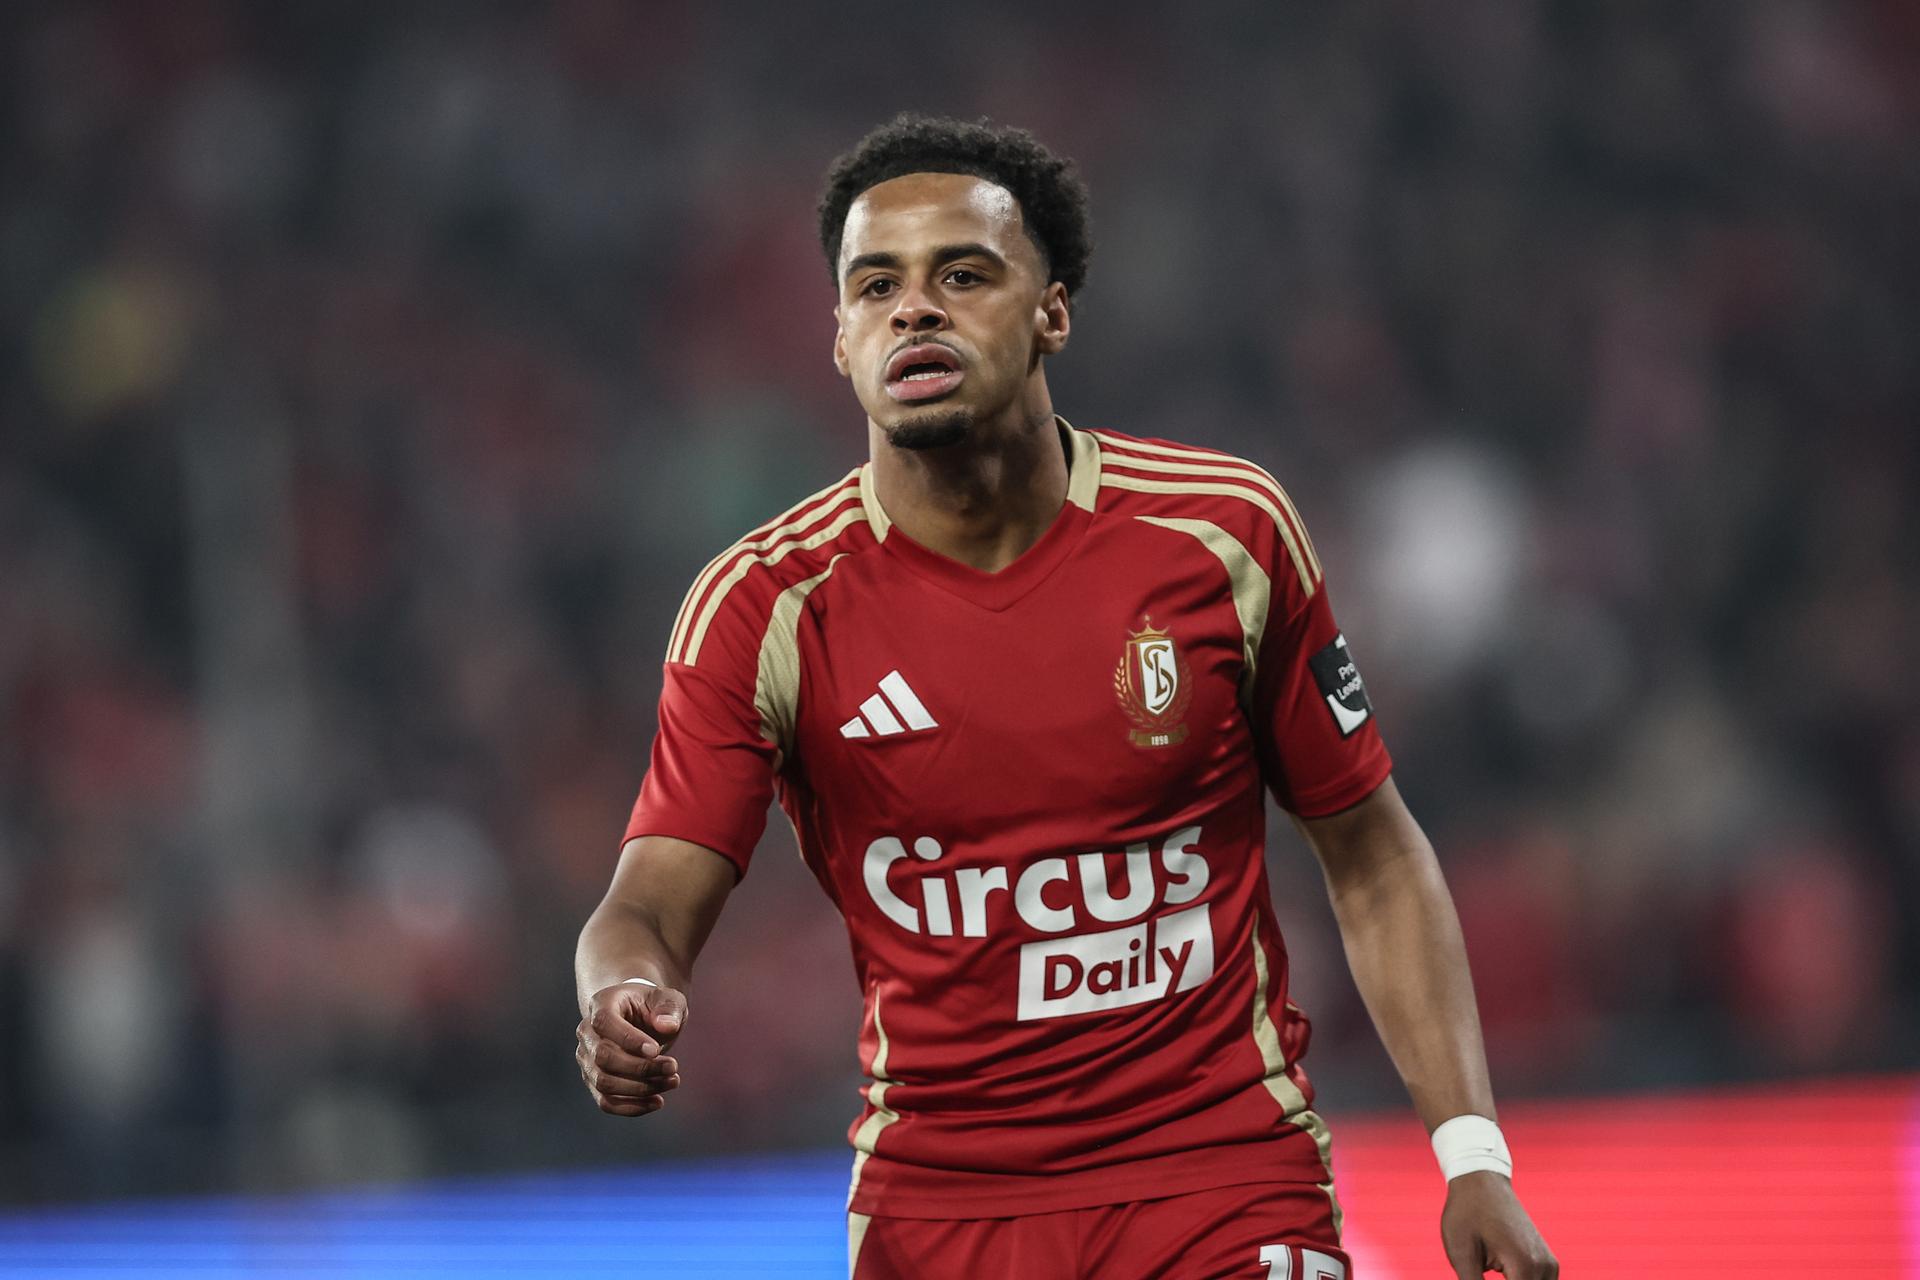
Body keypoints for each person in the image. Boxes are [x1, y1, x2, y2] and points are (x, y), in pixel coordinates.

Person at [575, 113, 1557, 1280]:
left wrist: (1472, 1149)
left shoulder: (1221, 536)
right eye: (875, 285)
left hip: (1221, 1176)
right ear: (840, 339)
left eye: (965, 275)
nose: (915, 309)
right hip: (944, 1215)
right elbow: (646, 900)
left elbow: (1374, 854)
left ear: (1053, 311)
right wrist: (622, 993)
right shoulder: (766, 606)